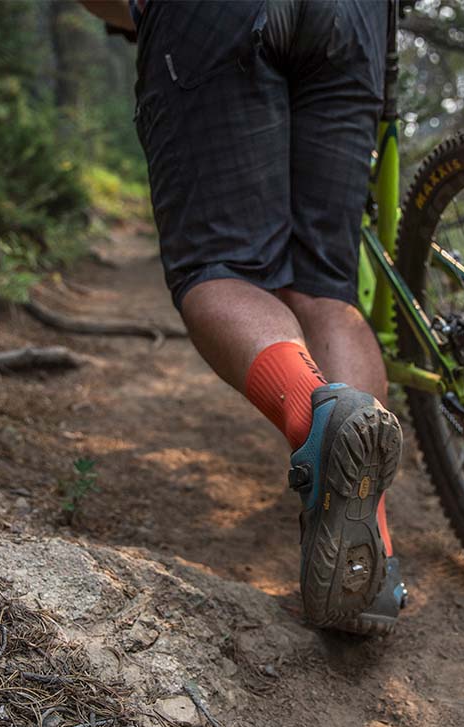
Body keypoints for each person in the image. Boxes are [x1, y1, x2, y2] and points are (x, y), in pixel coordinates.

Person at [80, 0, 406, 635]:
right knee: (326, 290)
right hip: (354, 19)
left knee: (220, 267)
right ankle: (375, 560)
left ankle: (318, 415)